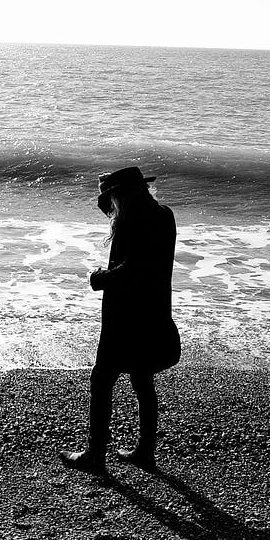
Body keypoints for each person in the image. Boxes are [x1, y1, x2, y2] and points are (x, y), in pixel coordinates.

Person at [60, 166, 180, 473]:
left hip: (126, 318)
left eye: (112, 199)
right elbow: (149, 266)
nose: (110, 206)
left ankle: (95, 455)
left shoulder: (133, 221)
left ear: (122, 196)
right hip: (154, 312)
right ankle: (145, 452)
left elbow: (134, 269)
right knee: (142, 379)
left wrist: (100, 278)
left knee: (101, 380)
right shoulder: (163, 215)